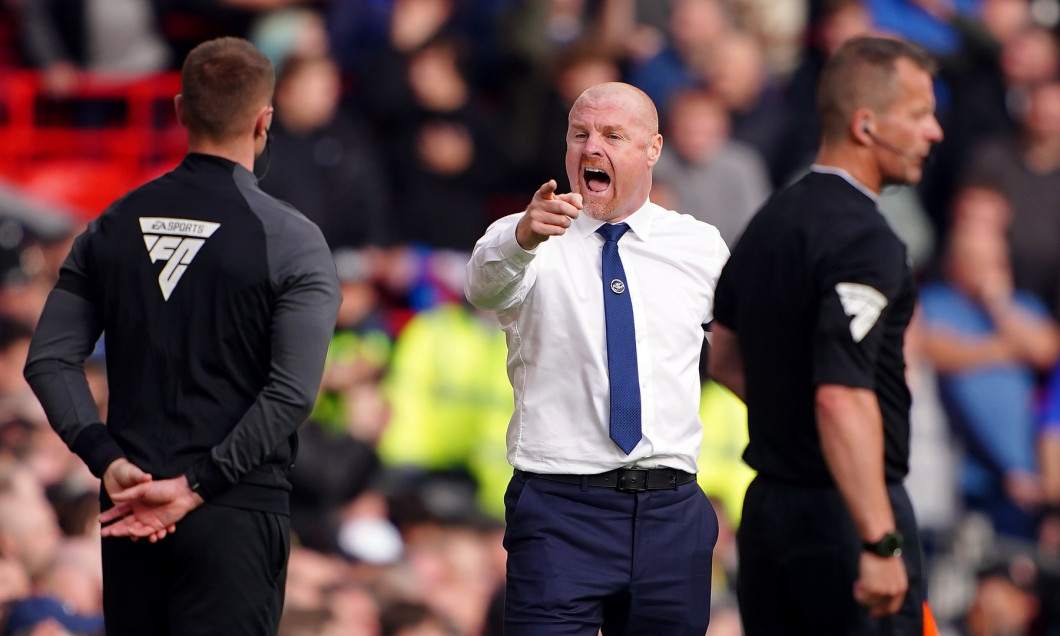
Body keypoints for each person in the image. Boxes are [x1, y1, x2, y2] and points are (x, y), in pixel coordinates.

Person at [22, 37, 341, 636]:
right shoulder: (292, 239)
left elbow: (48, 361)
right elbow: (291, 394)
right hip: (234, 514)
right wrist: (196, 487)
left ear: (178, 110)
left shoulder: (111, 226)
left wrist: (105, 459)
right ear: (264, 121)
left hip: (131, 506)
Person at [465, 81, 728, 635]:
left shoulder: (700, 246)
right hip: (561, 510)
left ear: (653, 148)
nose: (592, 147)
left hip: (670, 512)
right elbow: (485, 285)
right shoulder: (528, 236)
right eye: (580, 134)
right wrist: (522, 237)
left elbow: (739, 343)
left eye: (612, 135)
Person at [708, 36, 944, 635]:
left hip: (768, 519)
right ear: (866, 125)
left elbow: (725, 355)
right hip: (847, 522)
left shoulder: (771, 219)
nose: (935, 132)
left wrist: (793, 428)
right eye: (919, 114)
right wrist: (879, 540)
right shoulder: (866, 239)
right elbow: (841, 393)